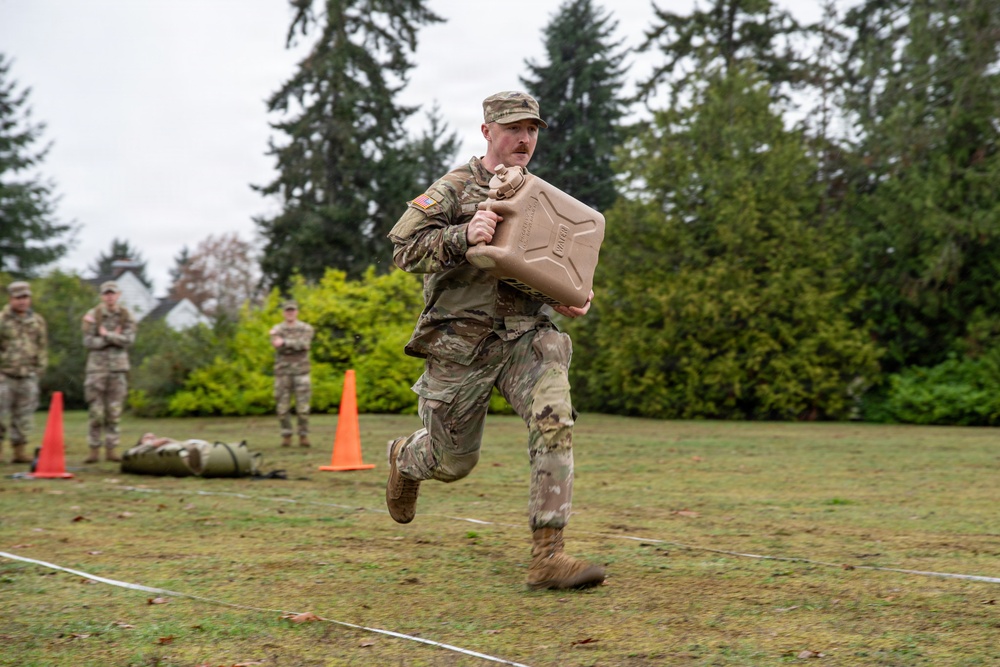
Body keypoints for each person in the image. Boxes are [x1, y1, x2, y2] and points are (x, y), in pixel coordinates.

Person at [385, 91, 605, 590]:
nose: (524, 139)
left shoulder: (542, 196)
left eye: (531, 129)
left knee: (556, 420)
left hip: (528, 338)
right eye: (512, 128)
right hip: (461, 345)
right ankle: (406, 458)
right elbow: (402, 250)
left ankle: (548, 555)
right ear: (487, 132)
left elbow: (551, 263)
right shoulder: (453, 189)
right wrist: (464, 234)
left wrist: (572, 295)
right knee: (453, 462)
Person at [82, 281, 136, 463]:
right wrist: (112, 338)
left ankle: (112, 450)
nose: (110, 297)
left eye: (112, 293)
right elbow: (88, 342)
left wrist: (106, 335)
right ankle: (94, 450)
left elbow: (129, 340)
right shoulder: (93, 316)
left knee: (114, 411)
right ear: (101, 296)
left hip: (118, 370)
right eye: (106, 294)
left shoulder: (126, 315)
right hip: (96, 370)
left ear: (118, 295)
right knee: (96, 412)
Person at [0, 281, 47, 464]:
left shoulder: (37, 321)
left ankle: (19, 451)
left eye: (25, 297)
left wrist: (38, 370)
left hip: (28, 376)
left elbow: (41, 347)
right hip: (5, 375)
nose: (22, 301)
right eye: (18, 298)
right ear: (11, 299)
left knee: (24, 416)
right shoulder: (3, 320)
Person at [270, 300, 314, 447]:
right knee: (282, 407)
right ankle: (286, 435)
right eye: (287, 310)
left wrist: (285, 343)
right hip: (283, 373)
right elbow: (277, 345)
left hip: (301, 372)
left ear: (297, 312)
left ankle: (303, 435)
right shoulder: (276, 329)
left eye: (292, 310)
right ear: (284, 312)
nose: (290, 313)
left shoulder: (306, 328)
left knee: (303, 407)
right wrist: (292, 344)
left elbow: (305, 345)